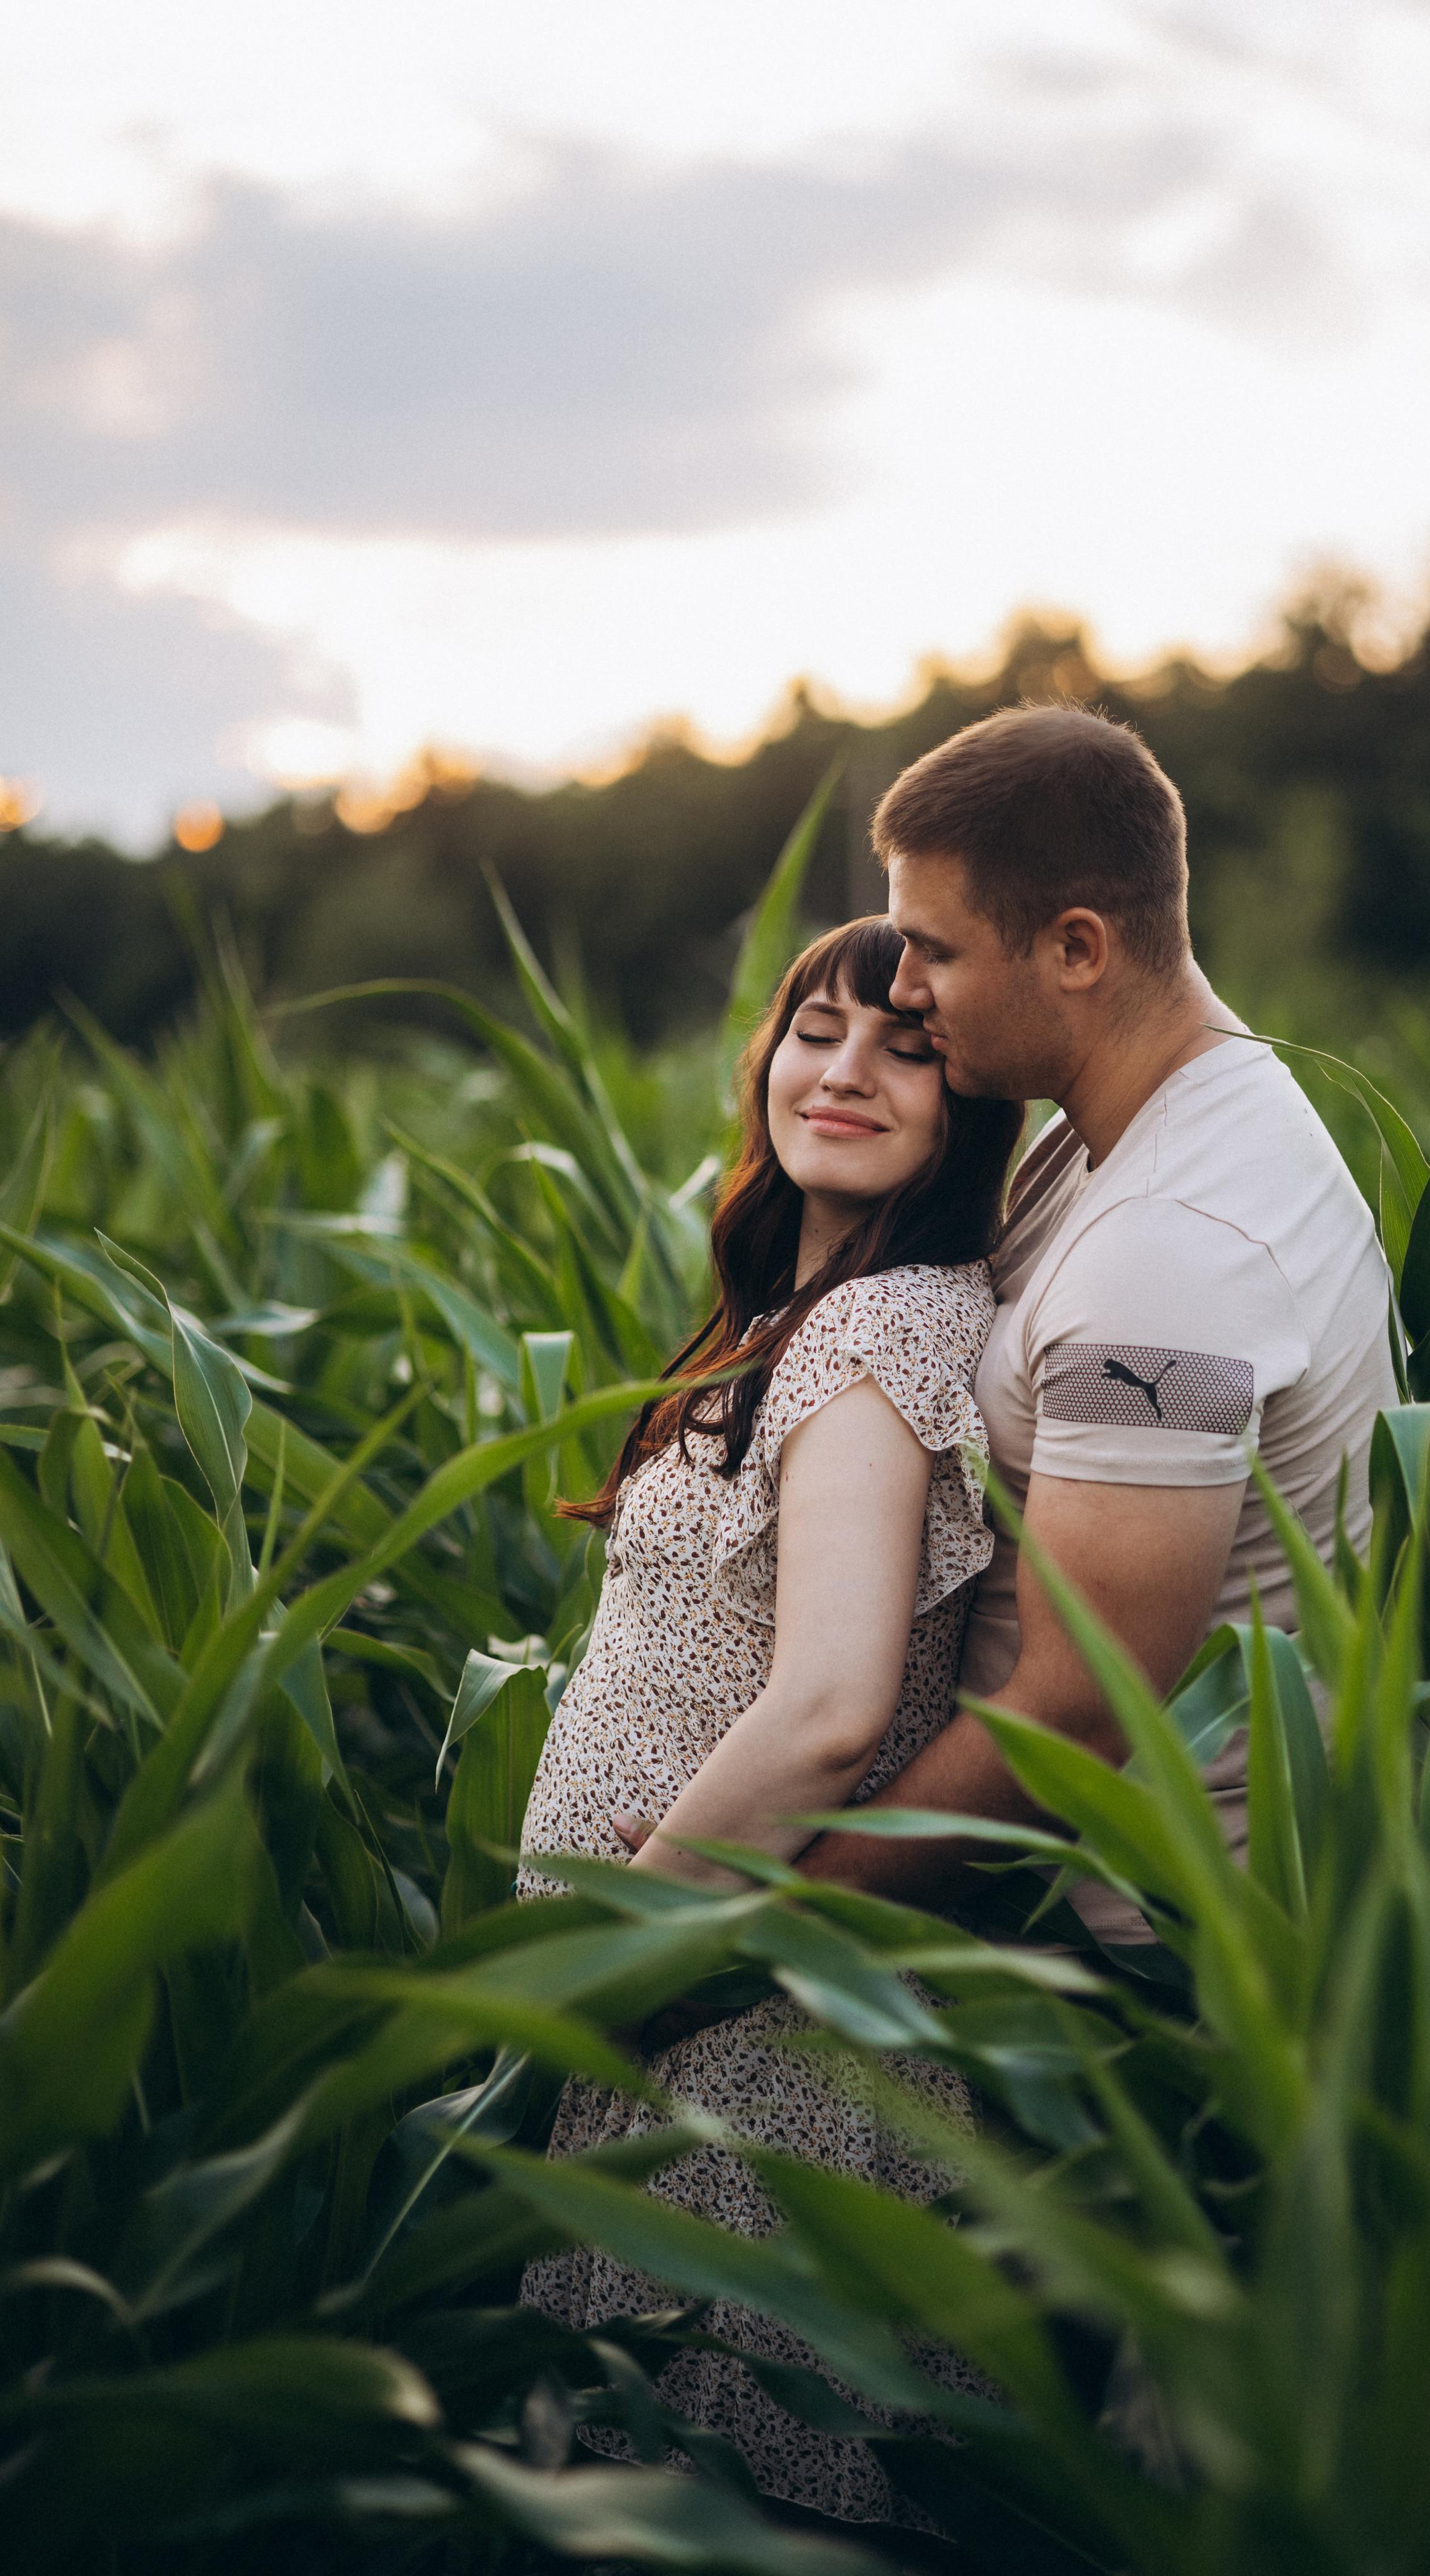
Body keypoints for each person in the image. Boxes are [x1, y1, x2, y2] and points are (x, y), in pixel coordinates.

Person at [516, 915, 1022, 2524]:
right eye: (818, 1031)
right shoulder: (810, 1316)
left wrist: (627, 1948)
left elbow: (827, 1708)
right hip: (707, 2018)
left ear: (970, 1104)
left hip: (732, 2030)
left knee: (717, 2498)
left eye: (908, 1046)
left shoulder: (872, 1335)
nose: (848, 1071)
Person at [774, 704, 1398, 1918]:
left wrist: (761, 1920)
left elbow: (1080, 1710)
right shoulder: (1140, 1128)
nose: (903, 988)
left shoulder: (1176, 1252)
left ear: (1076, 948)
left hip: (1163, 1963)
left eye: (933, 951)